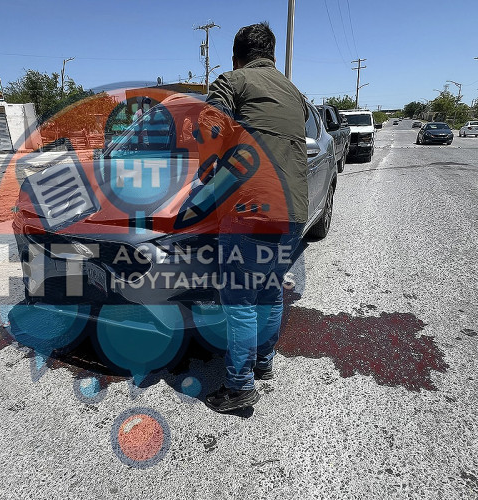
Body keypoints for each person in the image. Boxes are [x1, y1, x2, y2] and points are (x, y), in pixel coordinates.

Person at [201, 22, 309, 412]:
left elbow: (211, 127)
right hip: (294, 212)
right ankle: (263, 363)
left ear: (236, 55)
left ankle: (238, 386)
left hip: (252, 212)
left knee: (241, 301)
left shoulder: (233, 80)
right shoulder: (293, 91)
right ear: (272, 55)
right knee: (268, 289)